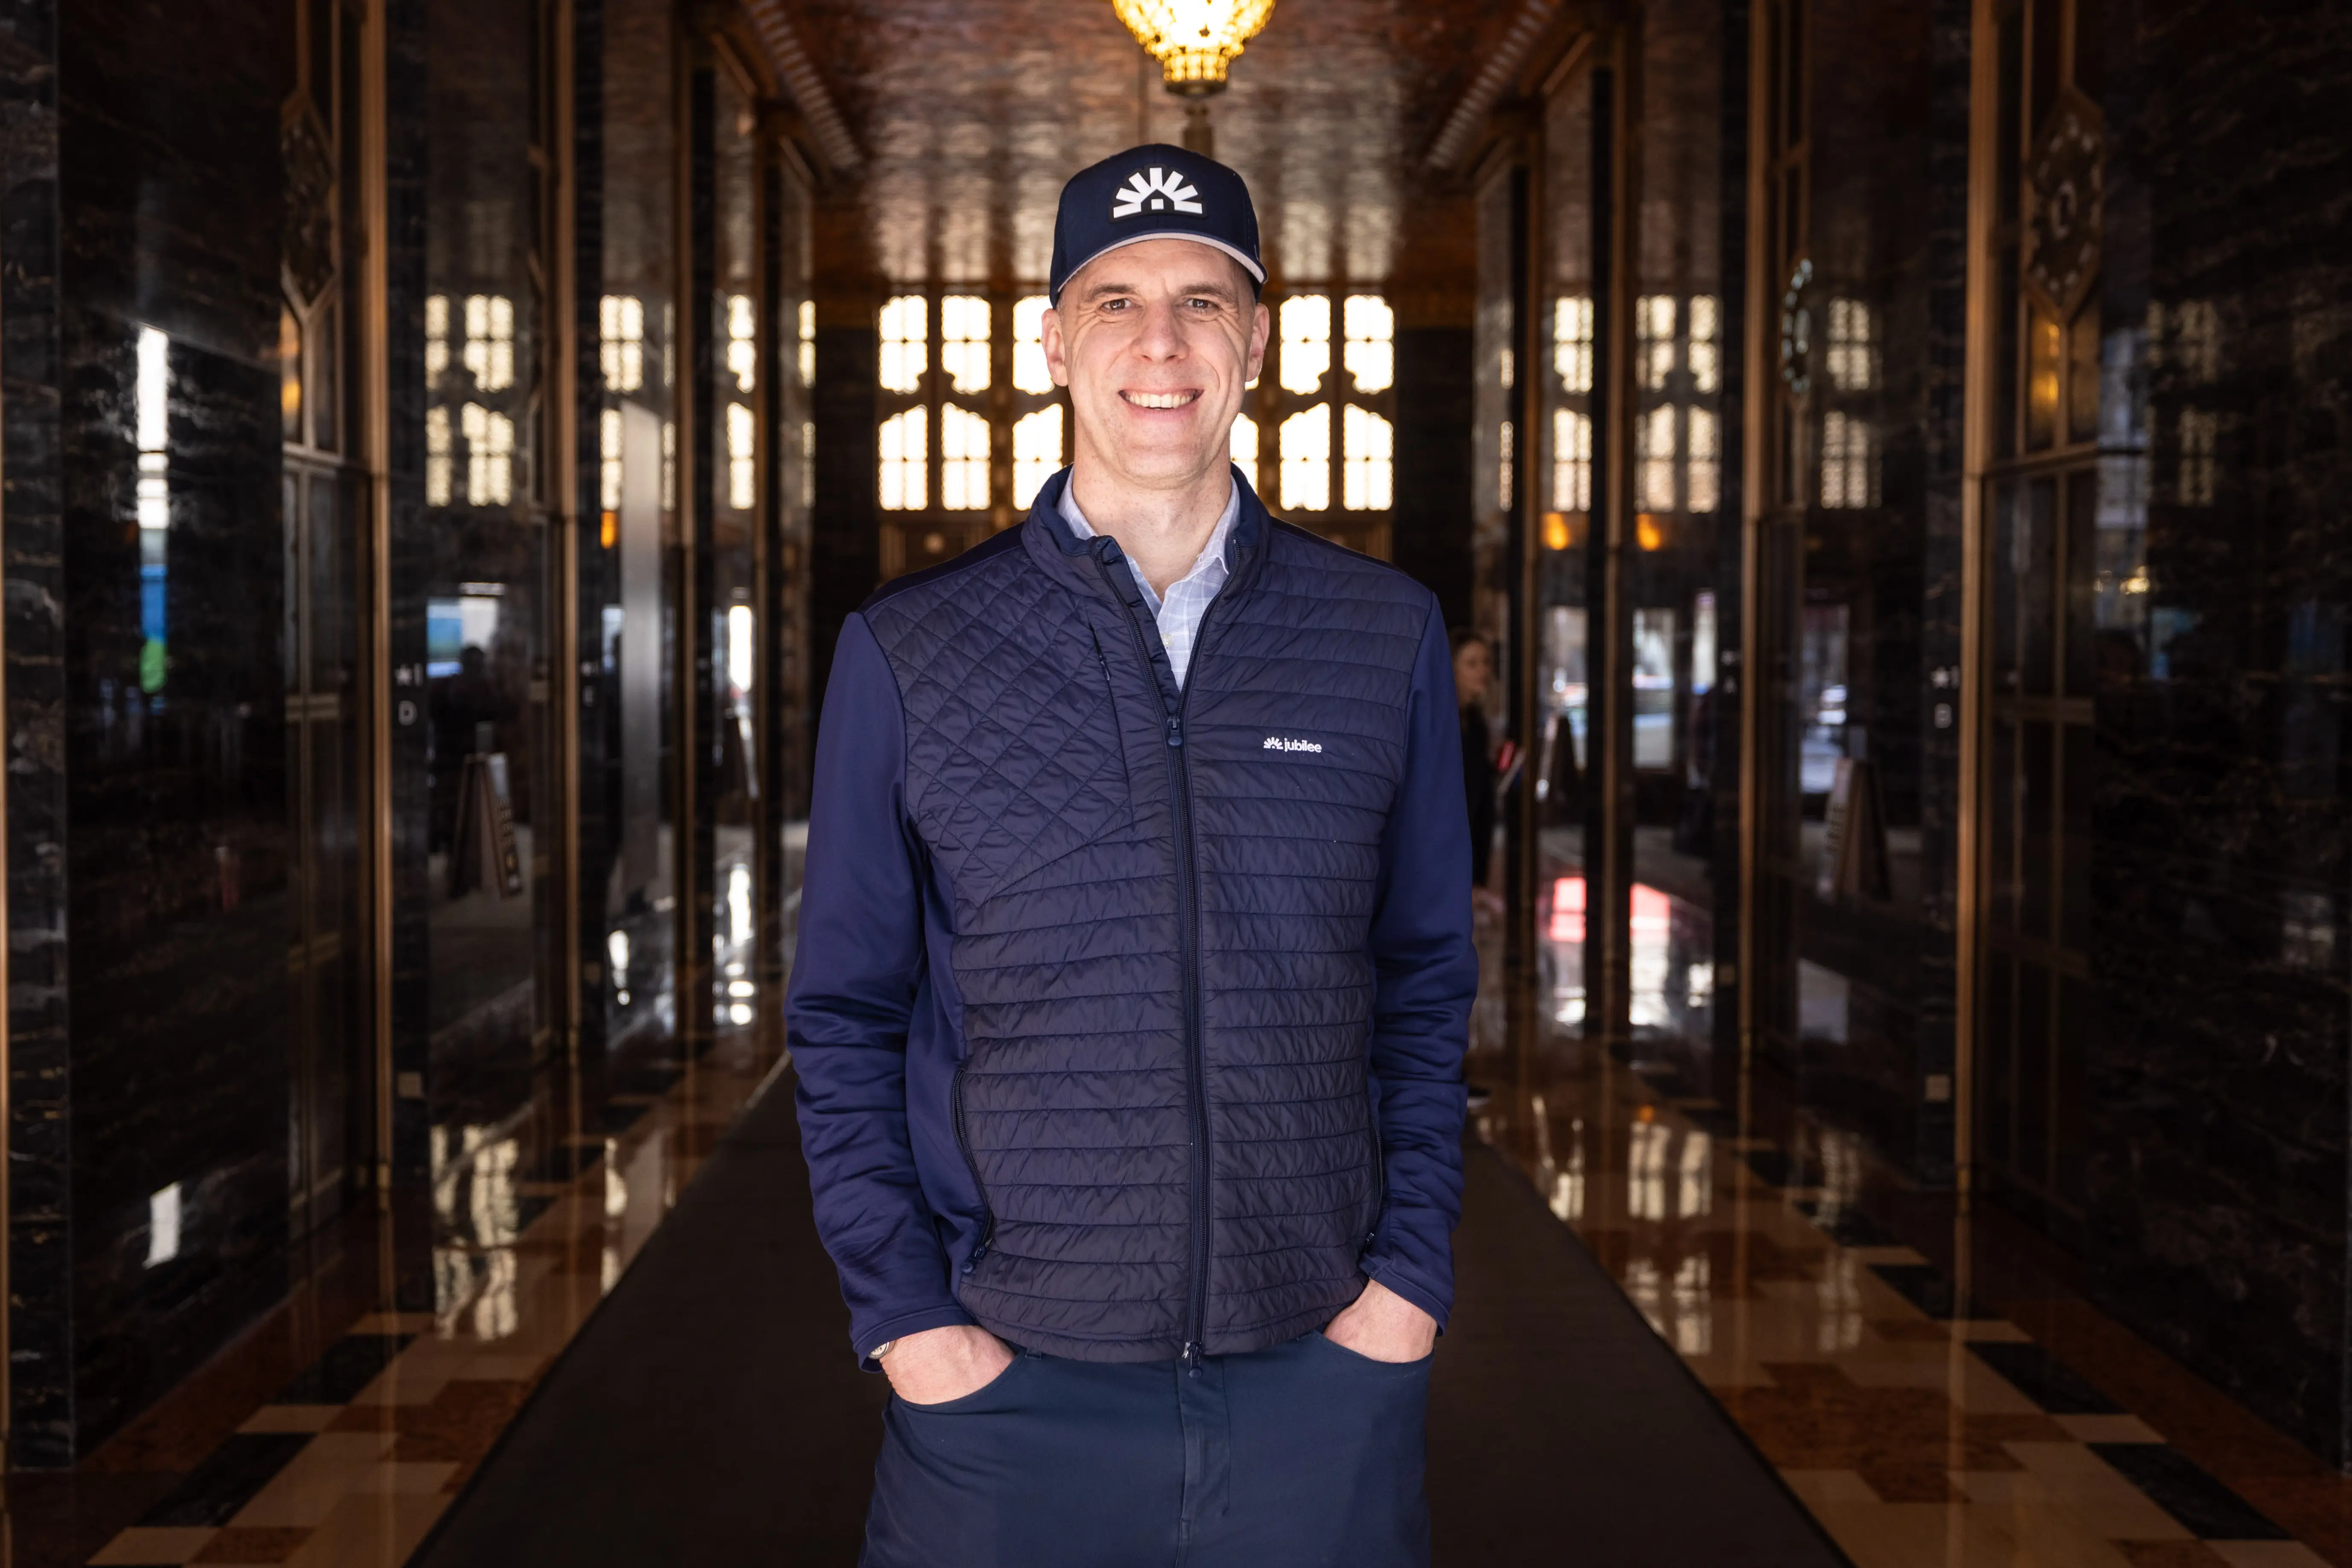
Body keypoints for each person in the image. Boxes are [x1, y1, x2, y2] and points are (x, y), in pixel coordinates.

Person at [788, 143, 1477, 1568]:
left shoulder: (1381, 635)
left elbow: (1423, 980)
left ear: (1257, 342)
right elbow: (844, 1015)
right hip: (1006, 1384)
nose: (1160, 342)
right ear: (1051, 342)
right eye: (1113, 300)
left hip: (1318, 1369)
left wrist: (1403, 1281)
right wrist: (909, 1321)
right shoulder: (908, 651)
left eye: (1203, 301)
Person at [1451, 628, 1497, 893]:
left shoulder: (1477, 725)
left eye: (1486, 662)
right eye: (1472, 664)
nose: (1482, 671)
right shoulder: (1440, 725)